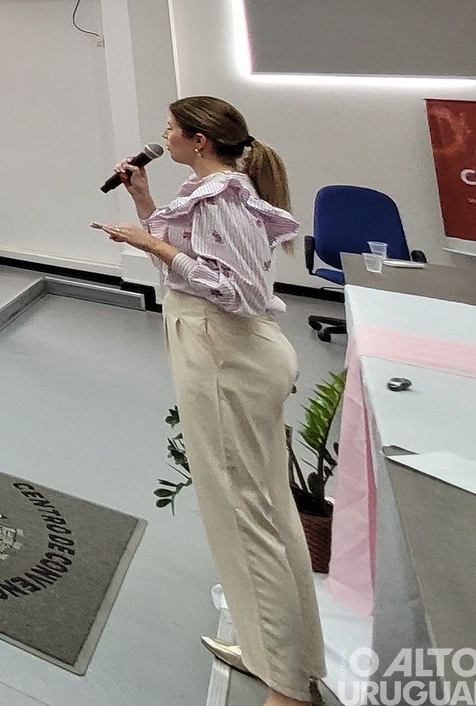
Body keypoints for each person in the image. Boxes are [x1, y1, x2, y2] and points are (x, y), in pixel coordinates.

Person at [97, 98, 322, 706]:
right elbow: (193, 255)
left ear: (199, 140)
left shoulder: (223, 198)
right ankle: (277, 653)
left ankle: (287, 688)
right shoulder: (207, 193)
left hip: (227, 355)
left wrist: (155, 247)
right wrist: (144, 206)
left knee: (248, 518)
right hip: (215, 350)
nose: (162, 136)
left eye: (170, 129)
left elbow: (239, 292)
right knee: (256, 509)